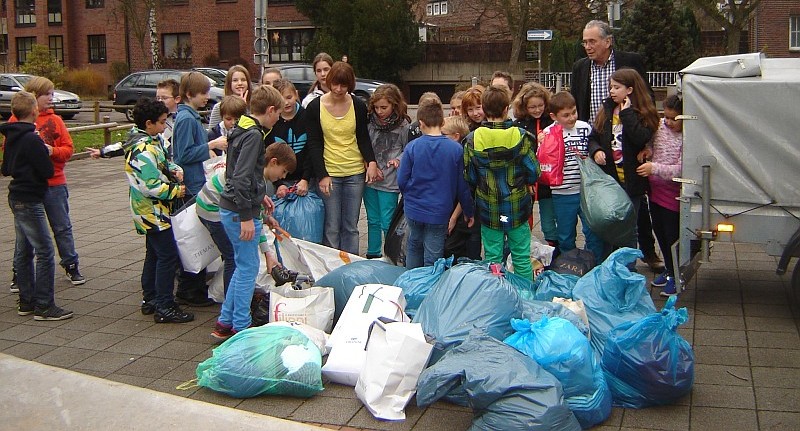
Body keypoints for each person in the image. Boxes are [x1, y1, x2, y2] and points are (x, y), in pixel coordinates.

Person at [571, 19, 661, 270]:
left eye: (592, 41)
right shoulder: (581, 67)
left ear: (608, 41)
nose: (587, 46)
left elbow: (646, 100)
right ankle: (605, 258)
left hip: (629, 144)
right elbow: (577, 102)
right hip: (598, 140)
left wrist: (649, 144)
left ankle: (647, 251)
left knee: (633, 207)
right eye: (584, 42)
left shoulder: (630, 62)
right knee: (603, 201)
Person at [212, 86, 292, 340]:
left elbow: (238, 173)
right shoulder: (254, 136)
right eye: (278, 114)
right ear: (270, 110)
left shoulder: (240, 128)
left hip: (231, 208)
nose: (278, 119)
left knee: (241, 267)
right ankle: (241, 326)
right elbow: (241, 177)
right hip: (239, 213)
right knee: (248, 269)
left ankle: (225, 322)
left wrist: (259, 196)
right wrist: (247, 215)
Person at [2, 91, 72, 320]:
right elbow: (47, 169)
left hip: (17, 195)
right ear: (34, 111)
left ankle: (26, 300)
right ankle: (44, 304)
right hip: (30, 198)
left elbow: (6, 168)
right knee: (44, 251)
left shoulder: (12, 135)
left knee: (24, 250)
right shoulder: (32, 139)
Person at [9, 76, 85, 286]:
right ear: (34, 97)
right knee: (24, 232)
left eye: (52, 94)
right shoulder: (16, 121)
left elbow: (68, 149)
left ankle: (71, 264)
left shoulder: (57, 120)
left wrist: (53, 151)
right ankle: (19, 272)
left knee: (62, 226)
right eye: (46, 95)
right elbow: (10, 151)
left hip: (55, 183)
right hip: (29, 186)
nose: (51, 98)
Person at [124, 98, 193, 323]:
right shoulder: (142, 149)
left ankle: (151, 298)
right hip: (152, 211)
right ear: (148, 123)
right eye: (162, 122)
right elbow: (150, 185)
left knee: (154, 254)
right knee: (167, 256)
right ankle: (164, 305)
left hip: (151, 210)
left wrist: (174, 168)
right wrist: (176, 191)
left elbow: (162, 162)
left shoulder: (149, 140)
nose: (165, 127)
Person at [464, 86, 540, 281]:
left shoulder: (472, 139)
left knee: (492, 259)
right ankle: (525, 294)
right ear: (507, 109)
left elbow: (470, 176)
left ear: (484, 109)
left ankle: (496, 293)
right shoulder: (521, 136)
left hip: (488, 208)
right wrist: (527, 181)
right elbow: (534, 171)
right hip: (517, 207)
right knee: (521, 257)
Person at [306, 61, 380, 255]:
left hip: (354, 172)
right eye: (335, 84)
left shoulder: (358, 105)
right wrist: (322, 174)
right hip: (330, 172)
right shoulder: (315, 107)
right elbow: (314, 143)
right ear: (329, 82)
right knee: (331, 225)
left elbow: (363, 137)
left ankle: (351, 263)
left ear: (350, 85)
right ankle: (332, 264)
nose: (338, 89)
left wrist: (371, 162)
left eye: (343, 85)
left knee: (351, 226)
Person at [588, 68, 659, 251]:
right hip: (610, 180)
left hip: (631, 180)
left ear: (629, 90)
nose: (611, 91)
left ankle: (627, 264)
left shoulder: (642, 113)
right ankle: (609, 261)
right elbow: (593, 137)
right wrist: (596, 151)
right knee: (609, 223)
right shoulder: (607, 111)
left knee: (628, 226)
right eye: (610, 87)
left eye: (616, 87)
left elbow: (640, 138)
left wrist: (626, 114)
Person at [398, 98, 474, 269]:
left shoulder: (412, 147)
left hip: (414, 208)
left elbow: (402, 180)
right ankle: (430, 282)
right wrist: (468, 211)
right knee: (433, 251)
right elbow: (462, 186)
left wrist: (410, 196)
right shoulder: (455, 149)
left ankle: (412, 280)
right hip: (439, 211)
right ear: (442, 122)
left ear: (421, 123)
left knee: (414, 246)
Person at [173, 71, 227, 307]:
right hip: (192, 184)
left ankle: (193, 287)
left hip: (196, 182)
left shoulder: (189, 117)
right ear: (189, 94)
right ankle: (188, 289)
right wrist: (210, 144)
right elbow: (183, 155)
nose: (207, 96)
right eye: (203, 93)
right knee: (194, 239)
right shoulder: (187, 120)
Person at [196, 95, 248, 294]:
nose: (232, 123)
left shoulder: (247, 136)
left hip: (223, 201)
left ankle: (230, 296)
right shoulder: (215, 135)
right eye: (228, 119)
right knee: (231, 255)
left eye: (237, 119)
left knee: (232, 254)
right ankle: (229, 298)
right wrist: (211, 148)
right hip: (214, 203)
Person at [544, 91, 605, 261]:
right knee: (565, 234)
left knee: (592, 231)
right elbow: (543, 161)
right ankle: (569, 263)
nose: (571, 118)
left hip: (586, 191)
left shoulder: (585, 127)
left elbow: (593, 145)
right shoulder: (549, 133)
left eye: (574, 112)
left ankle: (593, 261)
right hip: (562, 192)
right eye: (566, 115)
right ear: (554, 116)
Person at [636, 95, 683, 296]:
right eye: (667, 117)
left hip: (674, 195)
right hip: (655, 192)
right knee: (660, 233)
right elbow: (652, 145)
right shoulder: (659, 127)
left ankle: (676, 274)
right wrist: (647, 151)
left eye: (674, 119)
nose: (669, 122)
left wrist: (653, 168)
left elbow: (681, 169)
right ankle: (669, 269)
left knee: (672, 236)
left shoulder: (689, 136)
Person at [364, 84, 411, 259]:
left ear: (394, 105)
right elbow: (365, 146)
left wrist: (398, 159)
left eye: (384, 107)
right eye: (376, 107)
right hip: (371, 178)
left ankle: (389, 254)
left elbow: (408, 149)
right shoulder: (370, 122)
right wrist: (369, 165)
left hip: (390, 181)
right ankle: (373, 252)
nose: (379, 112)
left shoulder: (403, 125)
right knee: (372, 219)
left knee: (387, 220)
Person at [89, 79, 183, 161]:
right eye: (158, 98)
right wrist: (103, 151)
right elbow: (129, 142)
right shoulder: (150, 119)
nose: (160, 101)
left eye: (164, 98)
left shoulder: (183, 119)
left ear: (177, 99)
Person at [513, 82, 557, 247]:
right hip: (527, 180)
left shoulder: (552, 122)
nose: (537, 110)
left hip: (548, 178)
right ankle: (525, 247)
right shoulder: (519, 125)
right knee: (525, 216)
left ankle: (553, 245)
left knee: (548, 219)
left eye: (540, 106)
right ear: (524, 107)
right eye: (532, 107)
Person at [442, 115, 482, 261]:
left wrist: (453, 217)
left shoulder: (463, 157)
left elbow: (467, 190)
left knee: (461, 248)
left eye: (443, 134)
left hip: (466, 212)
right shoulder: (452, 154)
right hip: (459, 209)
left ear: (456, 136)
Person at [271, 78, 313, 198]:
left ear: (296, 94)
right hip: (281, 181)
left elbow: (312, 149)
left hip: (306, 180)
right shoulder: (272, 121)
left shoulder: (307, 117)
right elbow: (269, 153)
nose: (286, 103)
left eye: (289, 97)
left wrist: (305, 178)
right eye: (281, 99)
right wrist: (278, 183)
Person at [208, 64, 252, 129]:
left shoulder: (254, 106)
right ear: (229, 84)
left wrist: (244, 109)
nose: (240, 83)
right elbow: (212, 132)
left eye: (243, 80)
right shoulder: (219, 107)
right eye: (235, 80)